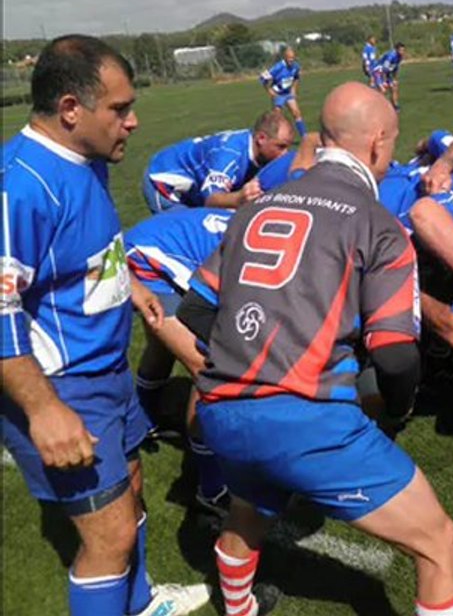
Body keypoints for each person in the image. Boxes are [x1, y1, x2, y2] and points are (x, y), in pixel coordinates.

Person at [177, 82, 453, 616]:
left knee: (250, 510)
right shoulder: (379, 224)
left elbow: (193, 309)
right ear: (378, 142)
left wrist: (259, 340)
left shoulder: (253, 208)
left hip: (222, 413)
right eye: (394, 141)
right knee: (438, 542)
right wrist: (398, 411)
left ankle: (239, 609)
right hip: (306, 421)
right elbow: (396, 354)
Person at [1, 34, 210, 615]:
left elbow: (87, 247)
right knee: (108, 536)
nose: (133, 121)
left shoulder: (84, 160)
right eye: (119, 108)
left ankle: (140, 603)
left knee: (132, 491)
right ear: (71, 109)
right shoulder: (19, 187)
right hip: (60, 385)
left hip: (107, 373)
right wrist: (44, 410)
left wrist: (132, 285)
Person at [125, 207, 234, 516]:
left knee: (165, 345)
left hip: (157, 247)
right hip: (146, 261)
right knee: (211, 368)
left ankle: (147, 420)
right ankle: (211, 490)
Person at [142, 109, 294, 213]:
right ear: (261, 138)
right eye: (280, 146)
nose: (284, 154)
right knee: (191, 231)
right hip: (164, 180)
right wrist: (240, 197)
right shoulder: (229, 156)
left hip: (195, 184)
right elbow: (212, 199)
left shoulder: (253, 147)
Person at [259, 47, 306, 137]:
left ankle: (304, 136)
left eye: (292, 58)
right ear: (284, 57)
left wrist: (293, 89)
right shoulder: (277, 67)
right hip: (278, 94)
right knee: (277, 117)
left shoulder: (296, 66)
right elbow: (262, 78)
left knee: (296, 113)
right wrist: (269, 90)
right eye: (289, 58)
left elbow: (296, 77)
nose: (291, 60)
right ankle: (272, 136)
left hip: (288, 93)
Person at [372, 42, 406, 112]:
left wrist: (394, 79)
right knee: (383, 90)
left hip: (387, 73)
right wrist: (384, 81)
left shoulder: (400, 57)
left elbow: (395, 68)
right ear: (396, 50)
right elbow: (384, 68)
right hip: (379, 71)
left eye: (403, 50)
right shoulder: (391, 56)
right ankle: (376, 106)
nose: (402, 52)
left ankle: (395, 106)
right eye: (401, 50)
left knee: (394, 87)